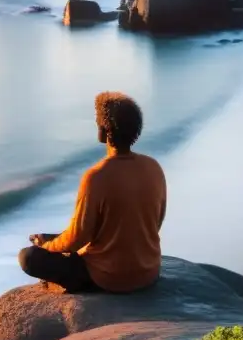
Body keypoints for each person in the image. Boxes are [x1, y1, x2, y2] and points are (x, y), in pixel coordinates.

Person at [18, 92, 167, 293]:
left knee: (28, 257)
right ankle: (49, 241)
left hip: (107, 279)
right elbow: (156, 222)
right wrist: (51, 239)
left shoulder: (96, 177)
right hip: (149, 272)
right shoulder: (153, 167)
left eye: (97, 121)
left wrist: (46, 248)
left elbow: (77, 239)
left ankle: (59, 280)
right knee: (53, 238)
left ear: (103, 131)